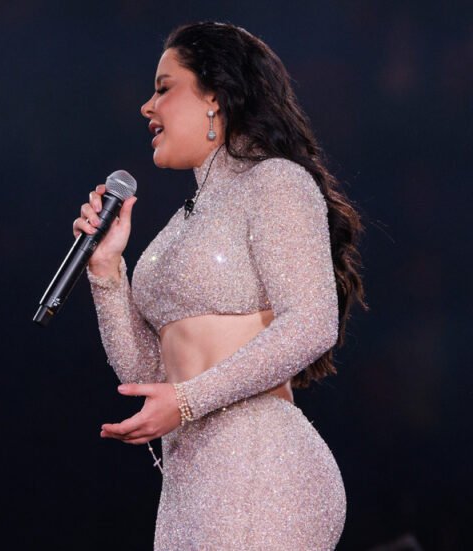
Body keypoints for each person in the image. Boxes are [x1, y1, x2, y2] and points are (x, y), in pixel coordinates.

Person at [74, 23, 364, 549]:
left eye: (164, 88)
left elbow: (312, 323)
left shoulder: (275, 182)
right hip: (189, 481)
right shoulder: (178, 226)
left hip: (262, 464)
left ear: (214, 96)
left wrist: (187, 401)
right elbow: (150, 376)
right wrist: (107, 271)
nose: (147, 106)